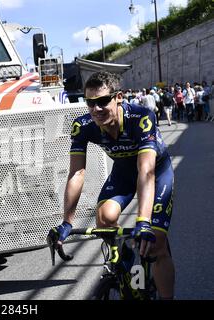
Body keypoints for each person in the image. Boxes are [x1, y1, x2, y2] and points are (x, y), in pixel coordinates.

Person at [52, 71, 175, 300]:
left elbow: (146, 171)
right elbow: (77, 172)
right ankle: (127, 264)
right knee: (105, 218)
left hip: (155, 172)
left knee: (156, 243)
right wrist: (67, 221)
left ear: (118, 97)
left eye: (102, 101)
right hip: (124, 172)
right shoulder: (83, 125)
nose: (96, 109)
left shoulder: (141, 118)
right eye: (90, 103)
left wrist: (144, 221)